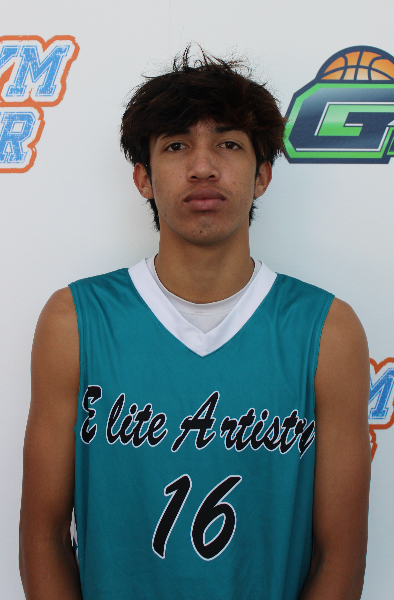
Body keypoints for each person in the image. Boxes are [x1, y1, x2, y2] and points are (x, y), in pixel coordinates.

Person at [19, 48, 371, 600]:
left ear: (262, 175)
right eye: (176, 145)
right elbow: (42, 537)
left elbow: (340, 558)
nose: (202, 167)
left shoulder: (328, 331)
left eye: (228, 145)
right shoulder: (74, 321)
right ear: (143, 177)